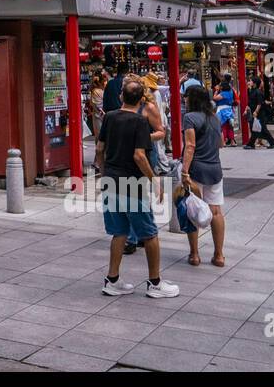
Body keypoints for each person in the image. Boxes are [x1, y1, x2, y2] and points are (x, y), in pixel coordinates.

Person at [95, 80, 179, 299]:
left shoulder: (110, 117)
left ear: (121, 95)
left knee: (119, 232)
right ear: (142, 99)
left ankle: (112, 280)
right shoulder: (140, 122)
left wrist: (105, 172)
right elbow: (139, 156)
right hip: (133, 183)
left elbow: (99, 148)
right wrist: (154, 181)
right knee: (150, 233)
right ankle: (155, 283)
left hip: (111, 181)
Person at [181, 85, 226, 267]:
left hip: (196, 169)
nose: (184, 100)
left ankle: (194, 254)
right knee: (216, 211)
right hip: (215, 168)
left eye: (186, 96)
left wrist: (185, 171)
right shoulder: (214, 118)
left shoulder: (190, 118)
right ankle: (219, 255)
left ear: (192, 99)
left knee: (192, 210)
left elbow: (190, 146)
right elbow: (221, 143)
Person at [121, 75, 166, 255]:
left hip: (146, 153)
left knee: (135, 195)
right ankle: (142, 234)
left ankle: (134, 237)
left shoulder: (149, 107)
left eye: (126, 85)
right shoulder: (124, 105)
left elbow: (161, 132)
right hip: (129, 153)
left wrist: (143, 137)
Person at [245, 76, 274, 149]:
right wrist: (246, 110)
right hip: (255, 112)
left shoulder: (258, 92)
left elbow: (259, 103)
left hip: (259, 113)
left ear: (254, 83)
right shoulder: (251, 91)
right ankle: (252, 143)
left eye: (250, 81)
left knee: (260, 129)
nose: (249, 82)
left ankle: (272, 142)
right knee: (256, 128)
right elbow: (250, 103)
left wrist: (256, 112)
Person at [213, 75, 237, 147]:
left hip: (222, 110)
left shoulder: (223, 94)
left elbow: (215, 98)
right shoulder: (231, 92)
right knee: (230, 126)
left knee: (222, 126)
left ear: (222, 87)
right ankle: (232, 141)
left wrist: (216, 91)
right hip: (229, 110)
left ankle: (223, 142)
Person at [87, 71, 107, 144]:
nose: (106, 83)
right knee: (100, 136)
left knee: (100, 136)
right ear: (101, 82)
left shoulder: (99, 90)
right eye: (105, 81)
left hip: (100, 115)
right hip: (99, 115)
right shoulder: (97, 91)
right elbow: (98, 106)